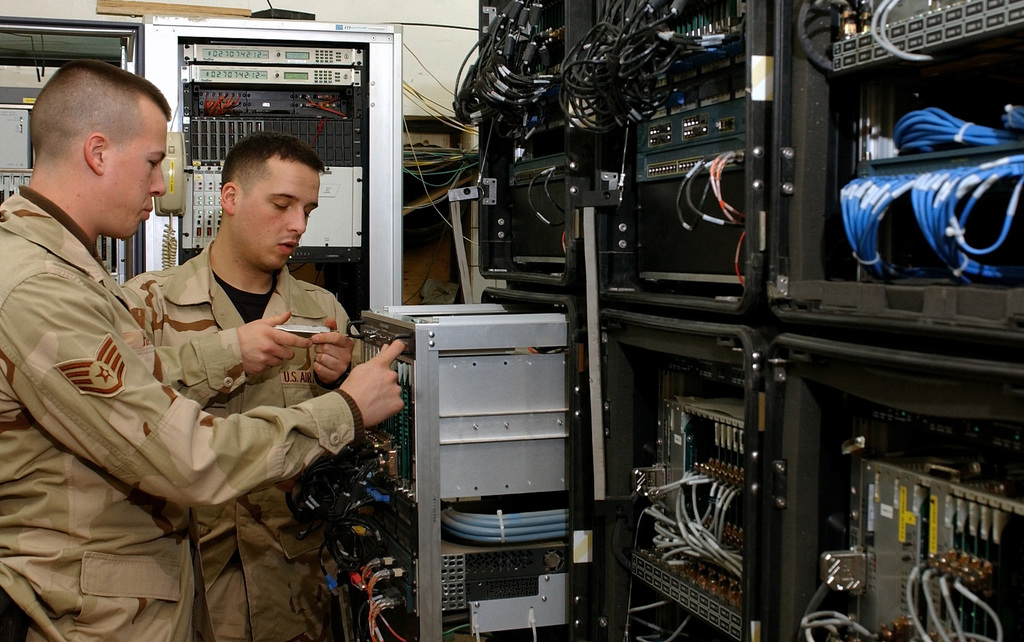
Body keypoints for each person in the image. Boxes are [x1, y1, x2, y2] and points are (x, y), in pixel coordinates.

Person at [0, 59, 405, 642]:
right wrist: (344, 410)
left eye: (309, 211)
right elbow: (184, 455)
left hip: (229, 593)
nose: (162, 184)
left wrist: (229, 353)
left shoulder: (68, 274)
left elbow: (135, 376)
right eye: (152, 162)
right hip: (95, 614)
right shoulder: (40, 288)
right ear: (96, 152)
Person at [122, 131, 358, 642]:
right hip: (187, 582)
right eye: (282, 204)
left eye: (309, 210)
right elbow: (118, 423)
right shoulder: (147, 305)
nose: (298, 225)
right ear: (230, 198)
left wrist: (340, 382)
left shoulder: (324, 313)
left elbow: (355, 451)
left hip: (293, 587)